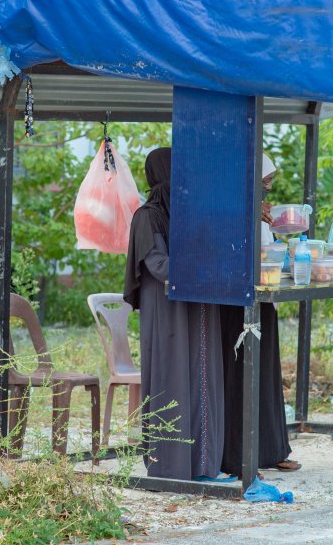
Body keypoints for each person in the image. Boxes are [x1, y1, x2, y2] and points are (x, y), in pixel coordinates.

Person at [124, 147, 225, 481]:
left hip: (198, 306)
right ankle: (170, 466)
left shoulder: (192, 213)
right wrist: (205, 267)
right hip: (166, 310)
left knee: (200, 374)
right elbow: (158, 264)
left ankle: (202, 463)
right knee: (172, 377)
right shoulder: (146, 217)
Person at [220, 153, 299, 478]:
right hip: (236, 305)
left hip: (263, 301)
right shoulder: (228, 208)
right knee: (242, 379)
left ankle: (272, 449)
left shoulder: (260, 213)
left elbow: (268, 254)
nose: (267, 190)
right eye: (264, 182)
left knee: (267, 374)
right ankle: (241, 457)